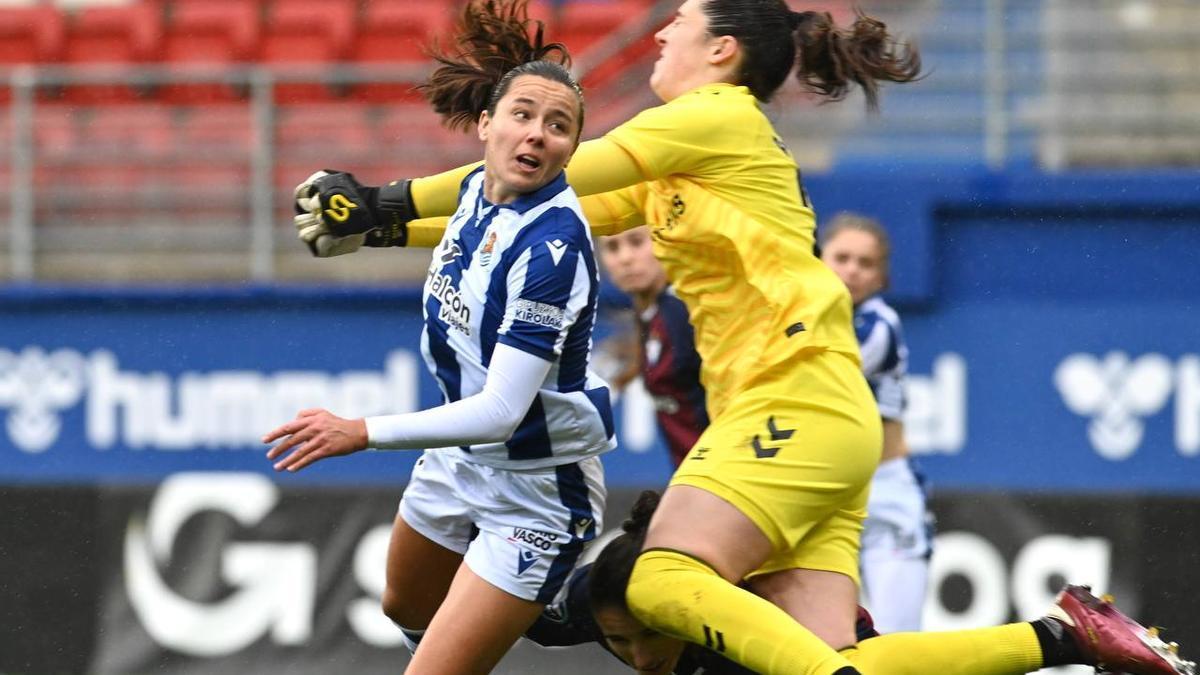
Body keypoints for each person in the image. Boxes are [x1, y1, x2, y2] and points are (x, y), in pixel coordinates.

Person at [291, 1, 1193, 674]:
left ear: (720, 51)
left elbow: (559, 166)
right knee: (831, 656)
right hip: (828, 418)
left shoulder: (715, 117)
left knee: (654, 581)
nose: (657, 35)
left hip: (790, 400)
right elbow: (537, 204)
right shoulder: (699, 160)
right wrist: (375, 228)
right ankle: (1065, 634)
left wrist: (381, 200)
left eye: (676, 21)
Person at [263, 6, 614, 674]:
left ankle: (562, 585)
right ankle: (540, 610)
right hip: (462, 459)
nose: (537, 134)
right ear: (485, 124)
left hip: (536, 487)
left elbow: (501, 411)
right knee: (404, 605)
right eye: (523, 115)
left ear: (572, 148)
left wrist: (360, 430)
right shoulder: (475, 187)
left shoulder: (555, 246)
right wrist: (372, 225)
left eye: (559, 126)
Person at [526, 489, 881, 675]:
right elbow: (533, 622)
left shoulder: (759, 630)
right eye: (617, 639)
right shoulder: (592, 597)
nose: (641, 658)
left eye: (653, 633)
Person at [819, 213, 933, 634]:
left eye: (865, 263)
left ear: (881, 277)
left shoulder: (877, 324)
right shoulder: (809, 315)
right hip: (828, 493)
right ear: (819, 259)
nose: (851, 269)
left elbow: (814, 379)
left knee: (896, 640)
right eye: (842, 257)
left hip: (883, 494)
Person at [597, 225, 708, 467]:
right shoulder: (649, 312)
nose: (625, 258)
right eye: (612, 248)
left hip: (724, 482)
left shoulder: (687, 312)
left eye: (637, 242)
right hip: (692, 479)